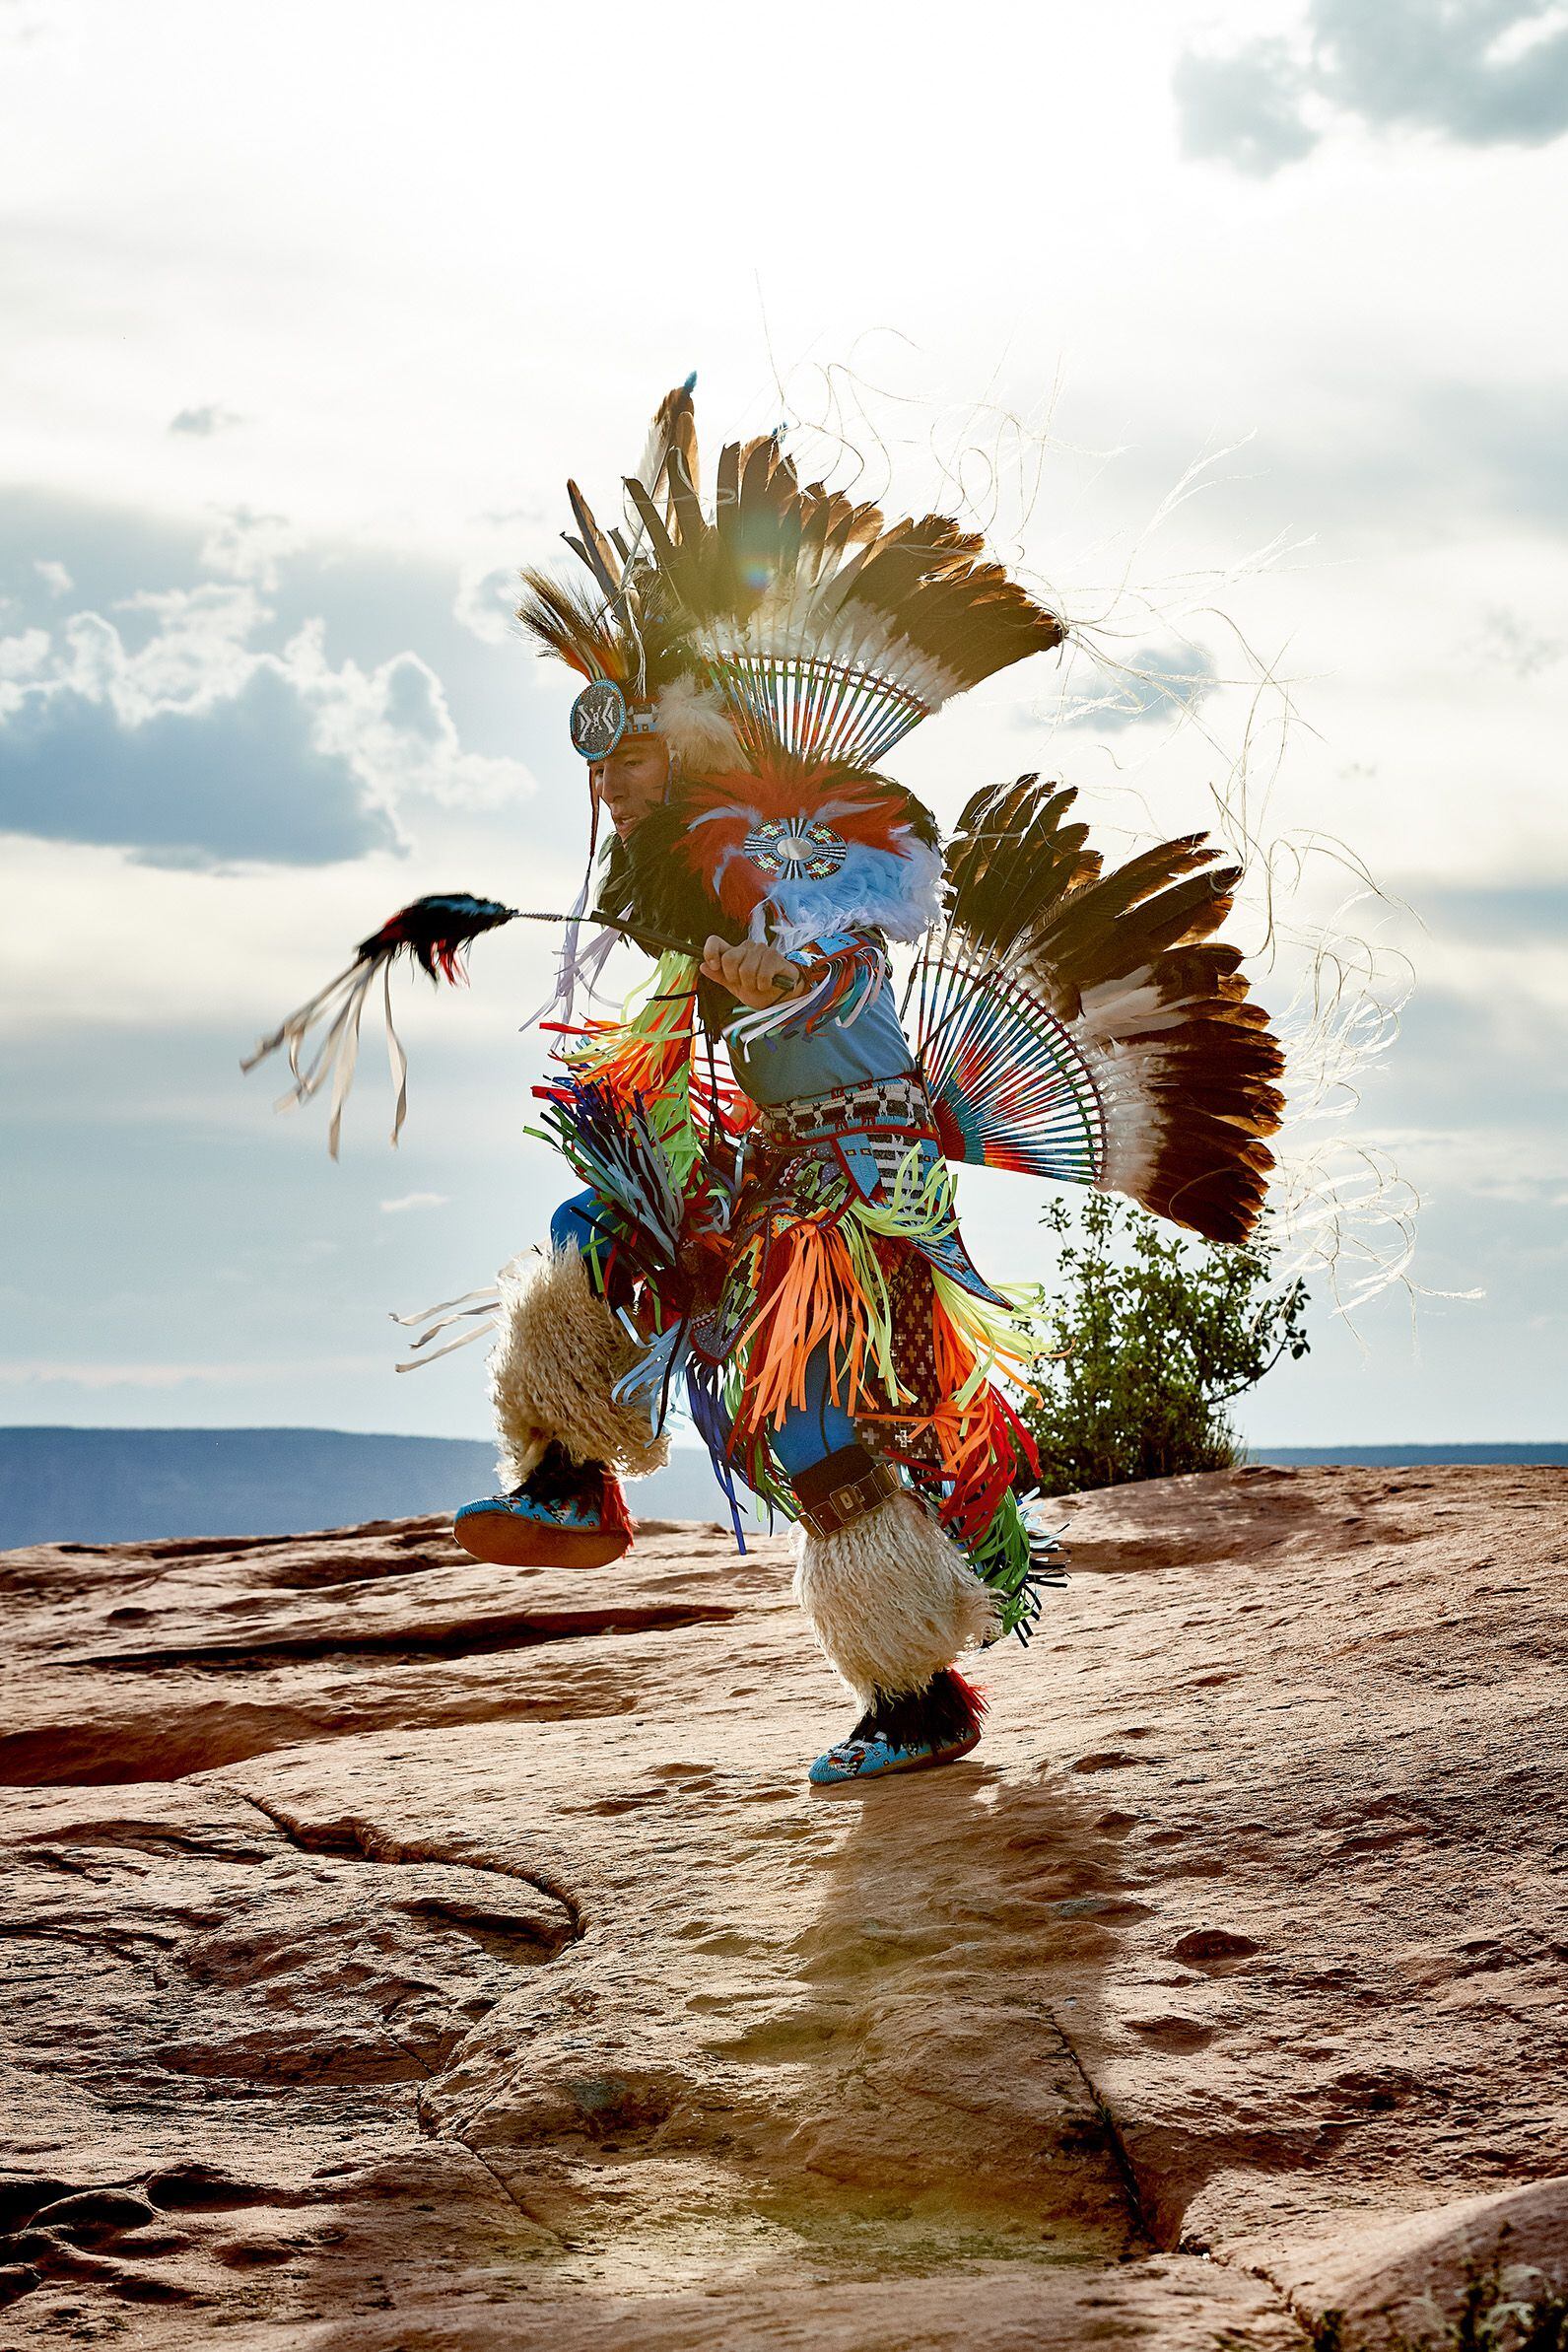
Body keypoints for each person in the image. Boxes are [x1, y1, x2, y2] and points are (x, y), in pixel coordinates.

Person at [247, 380, 1284, 1787]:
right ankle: (569, 1480)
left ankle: (916, 1693)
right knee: (589, 1237)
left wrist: (766, 968)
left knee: (806, 1426)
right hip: (770, 1171)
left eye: (623, 749)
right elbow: (709, 1001)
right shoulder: (688, 860)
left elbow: (840, 952)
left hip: (859, 1192)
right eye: (592, 757)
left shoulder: (798, 850)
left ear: (682, 734)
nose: (606, 778)